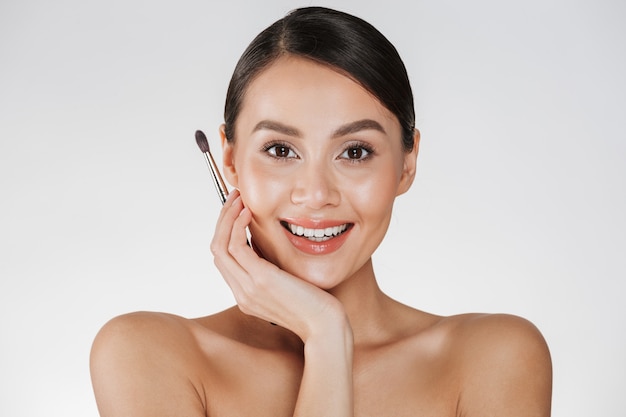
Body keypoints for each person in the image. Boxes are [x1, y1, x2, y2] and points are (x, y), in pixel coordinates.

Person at [90, 6, 552, 416]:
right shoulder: (147, 355)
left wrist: (326, 336)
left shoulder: (494, 359)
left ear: (407, 163)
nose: (315, 194)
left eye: (354, 152)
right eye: (279, 149)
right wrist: (326, 333)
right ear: (229, 159)